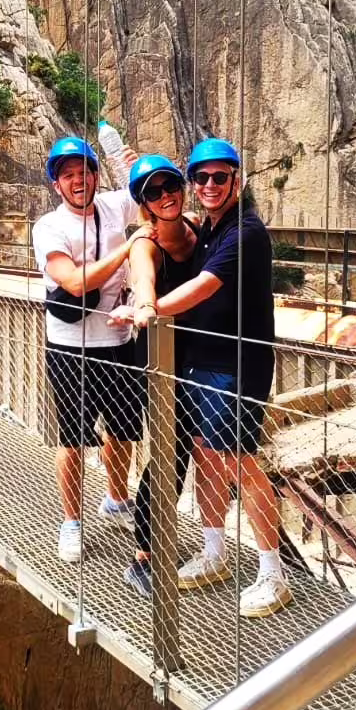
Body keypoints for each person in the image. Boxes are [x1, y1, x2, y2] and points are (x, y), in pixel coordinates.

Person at [141, 138, 291, 618]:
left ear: (236, 181)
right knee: (207, 456)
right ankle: (214, 552)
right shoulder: (207, 230)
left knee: (238, 464)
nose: (208, 185)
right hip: (202, 363)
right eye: (200, 178)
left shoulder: (245, 233)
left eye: (218, 177)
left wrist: (146, 309)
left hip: (237, 367)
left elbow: (203, 287)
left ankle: (273, 572)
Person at [32, 135, 145, 563]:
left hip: (117, 341)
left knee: (122, 431)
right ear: (57, 185)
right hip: (70, 348)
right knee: (74, 439)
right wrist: (128, 251)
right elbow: (74, 282)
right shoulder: (49, 227)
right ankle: (72, 523)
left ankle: (116, 500)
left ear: (95, 175)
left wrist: (123, 157)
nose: (79, 180)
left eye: (85, 172)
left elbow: (153, 188)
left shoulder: (115, 206)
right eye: (69, 175)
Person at [106, 155, 200, 598]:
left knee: (184, 449)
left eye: (170, 187)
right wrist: (145, 306)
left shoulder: (196, 226)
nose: (165, 197)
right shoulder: (147, 243)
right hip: (157, 354)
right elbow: (143, 279)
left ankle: (168, 540)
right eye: (153, 193)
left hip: (195, 354)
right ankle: (144, 554)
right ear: (143, 204)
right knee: (167, 450)